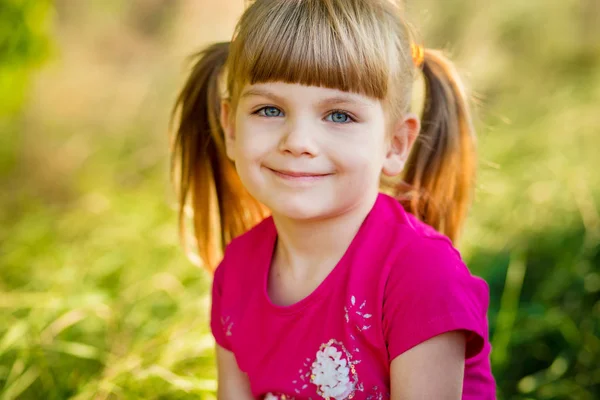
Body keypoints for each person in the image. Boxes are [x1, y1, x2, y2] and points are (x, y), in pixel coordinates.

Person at [170, 0, 496, 398]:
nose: (298, 142)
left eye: (339, 115)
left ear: (394, 144)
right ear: (231, 128)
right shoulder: (236, 272)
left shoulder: (421, 274)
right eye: (269, 109)